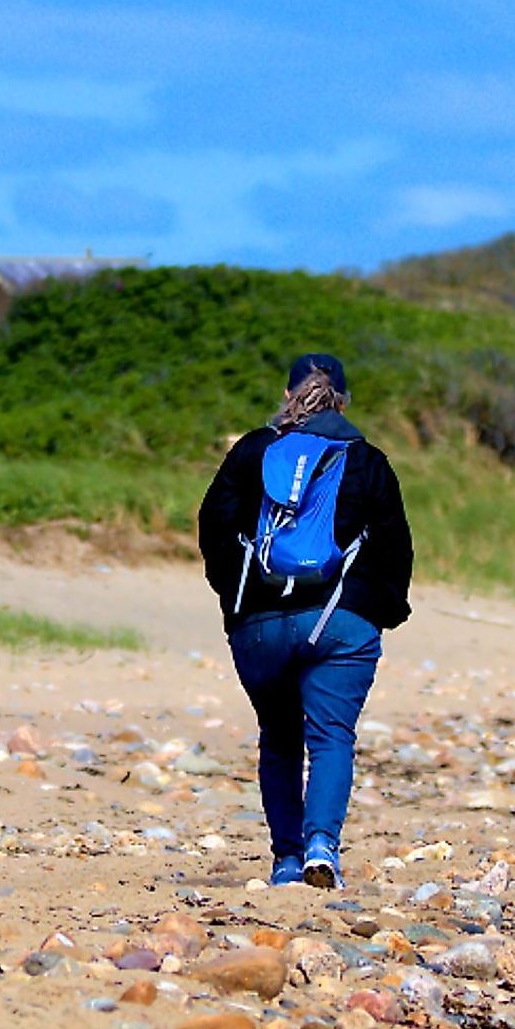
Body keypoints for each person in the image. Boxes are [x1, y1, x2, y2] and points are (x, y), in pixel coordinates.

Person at [196, 352, 413, 889]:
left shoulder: (250, 452)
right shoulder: (367, 460)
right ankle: (322, 848)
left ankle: (286, 861)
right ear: (343, 401)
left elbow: (213, 529)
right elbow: (395, 549)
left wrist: (239, 604)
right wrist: (375, 615)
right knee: (332, 736)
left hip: (259, 625)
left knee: (279, 737)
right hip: (341, 622)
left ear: (286, 393)